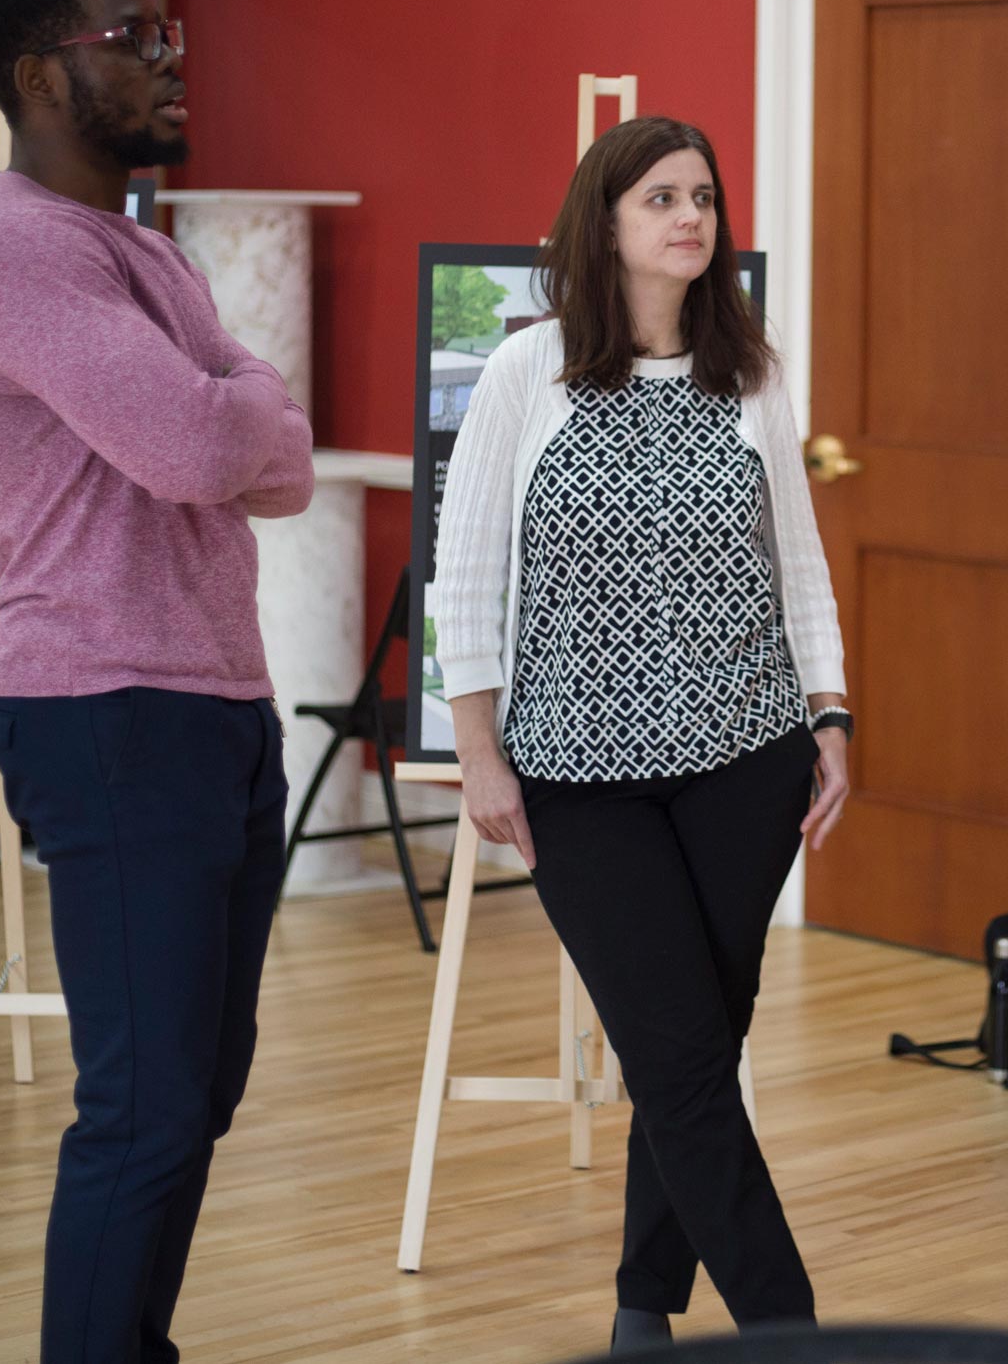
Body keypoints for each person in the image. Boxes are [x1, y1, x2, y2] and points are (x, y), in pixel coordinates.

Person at [0, 0, 314, 1364]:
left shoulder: (141, 247)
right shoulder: (11, 243)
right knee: (143, 1106)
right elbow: (210, 437)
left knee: (198, 1089)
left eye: (167, 30)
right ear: (39, 74)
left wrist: (239, 401)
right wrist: (239, 395)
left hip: (211, 699)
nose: (167, 56)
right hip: (108, 702)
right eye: (132, 34)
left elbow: (285, 463)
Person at [432, 115, 849, 1352]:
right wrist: (478, 747)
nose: (689, 217)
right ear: (602, 218)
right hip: (575, 774)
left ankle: (641, 1311)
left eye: (704, 197)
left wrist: (828, 715)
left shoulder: (749, 372)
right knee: (675, 1055)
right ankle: (793, 1328)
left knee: (697, 1049)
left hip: (747, 756)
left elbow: (799, 565)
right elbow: (467, 571)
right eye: (661, 195)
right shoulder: (530, 371)